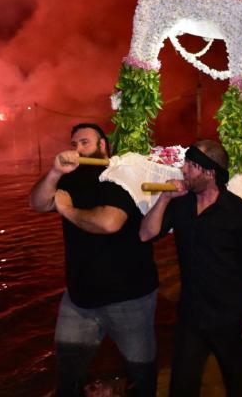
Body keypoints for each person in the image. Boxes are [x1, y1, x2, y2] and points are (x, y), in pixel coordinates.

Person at [29, 123, 159, 397]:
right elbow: (38, 203)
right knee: (68, 372)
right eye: (73, 144)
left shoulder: (123, 176)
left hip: (129, 296)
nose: (77, 149)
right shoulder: (70, 178)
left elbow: (109, 222)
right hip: (79, 297)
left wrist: (67, 210)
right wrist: (54, 172)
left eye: (84, 143)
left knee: (140, 374)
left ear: (103, 146)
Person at [139, 140, 242, 397]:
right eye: (185, 163)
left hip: (232, 318)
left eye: (191, 165)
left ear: (210, 172)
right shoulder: (180, 204)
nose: (183, 170)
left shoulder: (241, 213)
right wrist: (164, 198)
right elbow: (146, 234)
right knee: (181, 388)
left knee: (238, 386)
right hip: (192, 315)